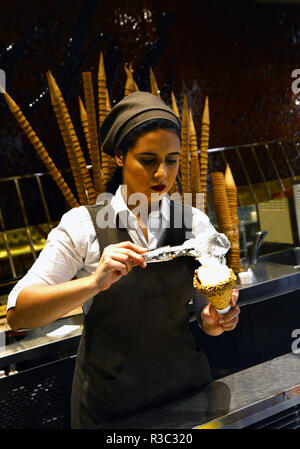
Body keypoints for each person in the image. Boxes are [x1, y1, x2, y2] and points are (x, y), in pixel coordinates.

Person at [7, 91, 240, 429]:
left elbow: (209, 314)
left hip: (187, 399)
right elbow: (19, 315)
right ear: (119, 156)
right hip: (114, 411)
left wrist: (216, 319)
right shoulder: (83, 225)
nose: (162, 173)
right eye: (148, 160)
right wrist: (92, 283)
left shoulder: (193, 223)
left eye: (172, 160)